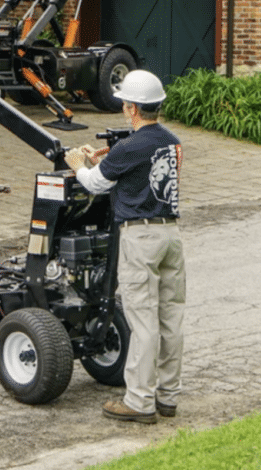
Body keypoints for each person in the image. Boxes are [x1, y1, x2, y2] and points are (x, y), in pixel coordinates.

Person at [69, 69, 185, 424]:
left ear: (133, 108)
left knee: (143, 320)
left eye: (124, 103)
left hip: (141, 238)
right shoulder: (170, 141)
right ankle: (168, 396)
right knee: (171, 318)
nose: (122, 108)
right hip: (170, 236)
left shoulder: (130, 146)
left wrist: (78, 165)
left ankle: (138, 401)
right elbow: (139, 171)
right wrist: (106, 158)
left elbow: (94, 184)